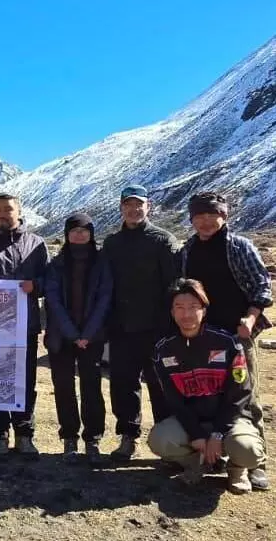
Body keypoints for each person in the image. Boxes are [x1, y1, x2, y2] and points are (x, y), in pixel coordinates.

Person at [178, 191, 272, 490]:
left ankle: (253, 462)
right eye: (199, 217)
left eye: (212, 216)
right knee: (206, 393)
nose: (206, 222)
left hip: (236, 335)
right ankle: (210, 455)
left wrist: (251, 317)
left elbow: (261, 284)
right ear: (192, 220)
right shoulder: (188, 249)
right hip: (201, 337)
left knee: (246, 395)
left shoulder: (238, 246)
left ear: (224, 216)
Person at [148, 279, 267, 494]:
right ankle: (198, 462)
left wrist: (218, 433)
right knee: (160, 440)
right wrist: (196, 434)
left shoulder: (227, 343)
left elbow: (240, 394)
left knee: (248, 450)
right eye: (180, 308)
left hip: (230, 421)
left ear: (204, 309)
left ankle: (237, 468)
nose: (187, 315)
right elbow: (174, 400)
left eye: (194, 307)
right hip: (195, 421)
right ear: (172, 313)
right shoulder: (163, 351)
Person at [101, 184, 178, 463]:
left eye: (139, 204)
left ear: (149, 206)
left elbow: (175, 285)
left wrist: (170, 325)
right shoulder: (112, 244)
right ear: (121, 207)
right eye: (128, 205)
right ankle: (128, 437)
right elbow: (105, 286)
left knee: (161, 387)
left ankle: (169, 443)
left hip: (158, 330)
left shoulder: (163, 241)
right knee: (123, 385)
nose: (133, 210)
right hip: (121, 328)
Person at [0, 193, 49, 458]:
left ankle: (24, 435)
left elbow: (49, 281)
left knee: (25, 382)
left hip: (26, 326)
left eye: (8, 209)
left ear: (19, 210)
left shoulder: (36, 244)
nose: (2, 213)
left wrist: (35, 285)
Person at [43, 213, 111, 465]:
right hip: (62, 336)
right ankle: (69, 437)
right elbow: (53, 300)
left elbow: (105, 297)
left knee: (91, 387)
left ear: (91, 233)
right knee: (63, 387)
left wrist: (87, 334)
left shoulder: (102, 263)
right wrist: (73, 334)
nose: (79, 235)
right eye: (74, 231)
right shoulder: (57, 264)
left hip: (92, 336)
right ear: (67, 235)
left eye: (84, 230)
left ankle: (92, 438)